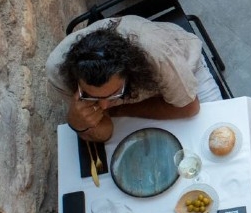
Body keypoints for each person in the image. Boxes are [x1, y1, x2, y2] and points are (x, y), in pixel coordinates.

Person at [46, 17, 219, 144]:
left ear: (131, 71)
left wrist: (119, 111)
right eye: (92, 97)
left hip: (185, 67)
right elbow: (106, 132)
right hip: (140, 105)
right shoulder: (58, 73)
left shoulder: (157, 55)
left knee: (214, 135)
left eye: (114, 93)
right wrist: (77, 123)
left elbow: (189, 108)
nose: (104, 106)